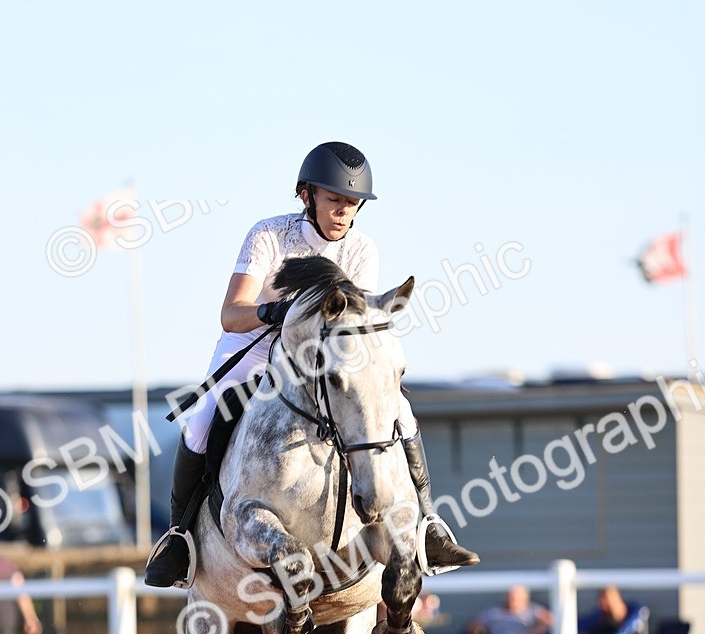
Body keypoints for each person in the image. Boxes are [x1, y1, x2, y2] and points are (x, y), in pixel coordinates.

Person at [145, 140, 479, 587]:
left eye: (351, 202)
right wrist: (271, 312)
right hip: (255, 345)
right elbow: (232, 311)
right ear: (308, 196)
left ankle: (427, 524)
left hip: (319, 356)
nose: (343, 210)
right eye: (334, 198)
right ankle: (179, 537)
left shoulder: (363, 249)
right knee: (202, 419)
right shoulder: (269, 234)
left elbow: (351, 325)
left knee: (400, 408)